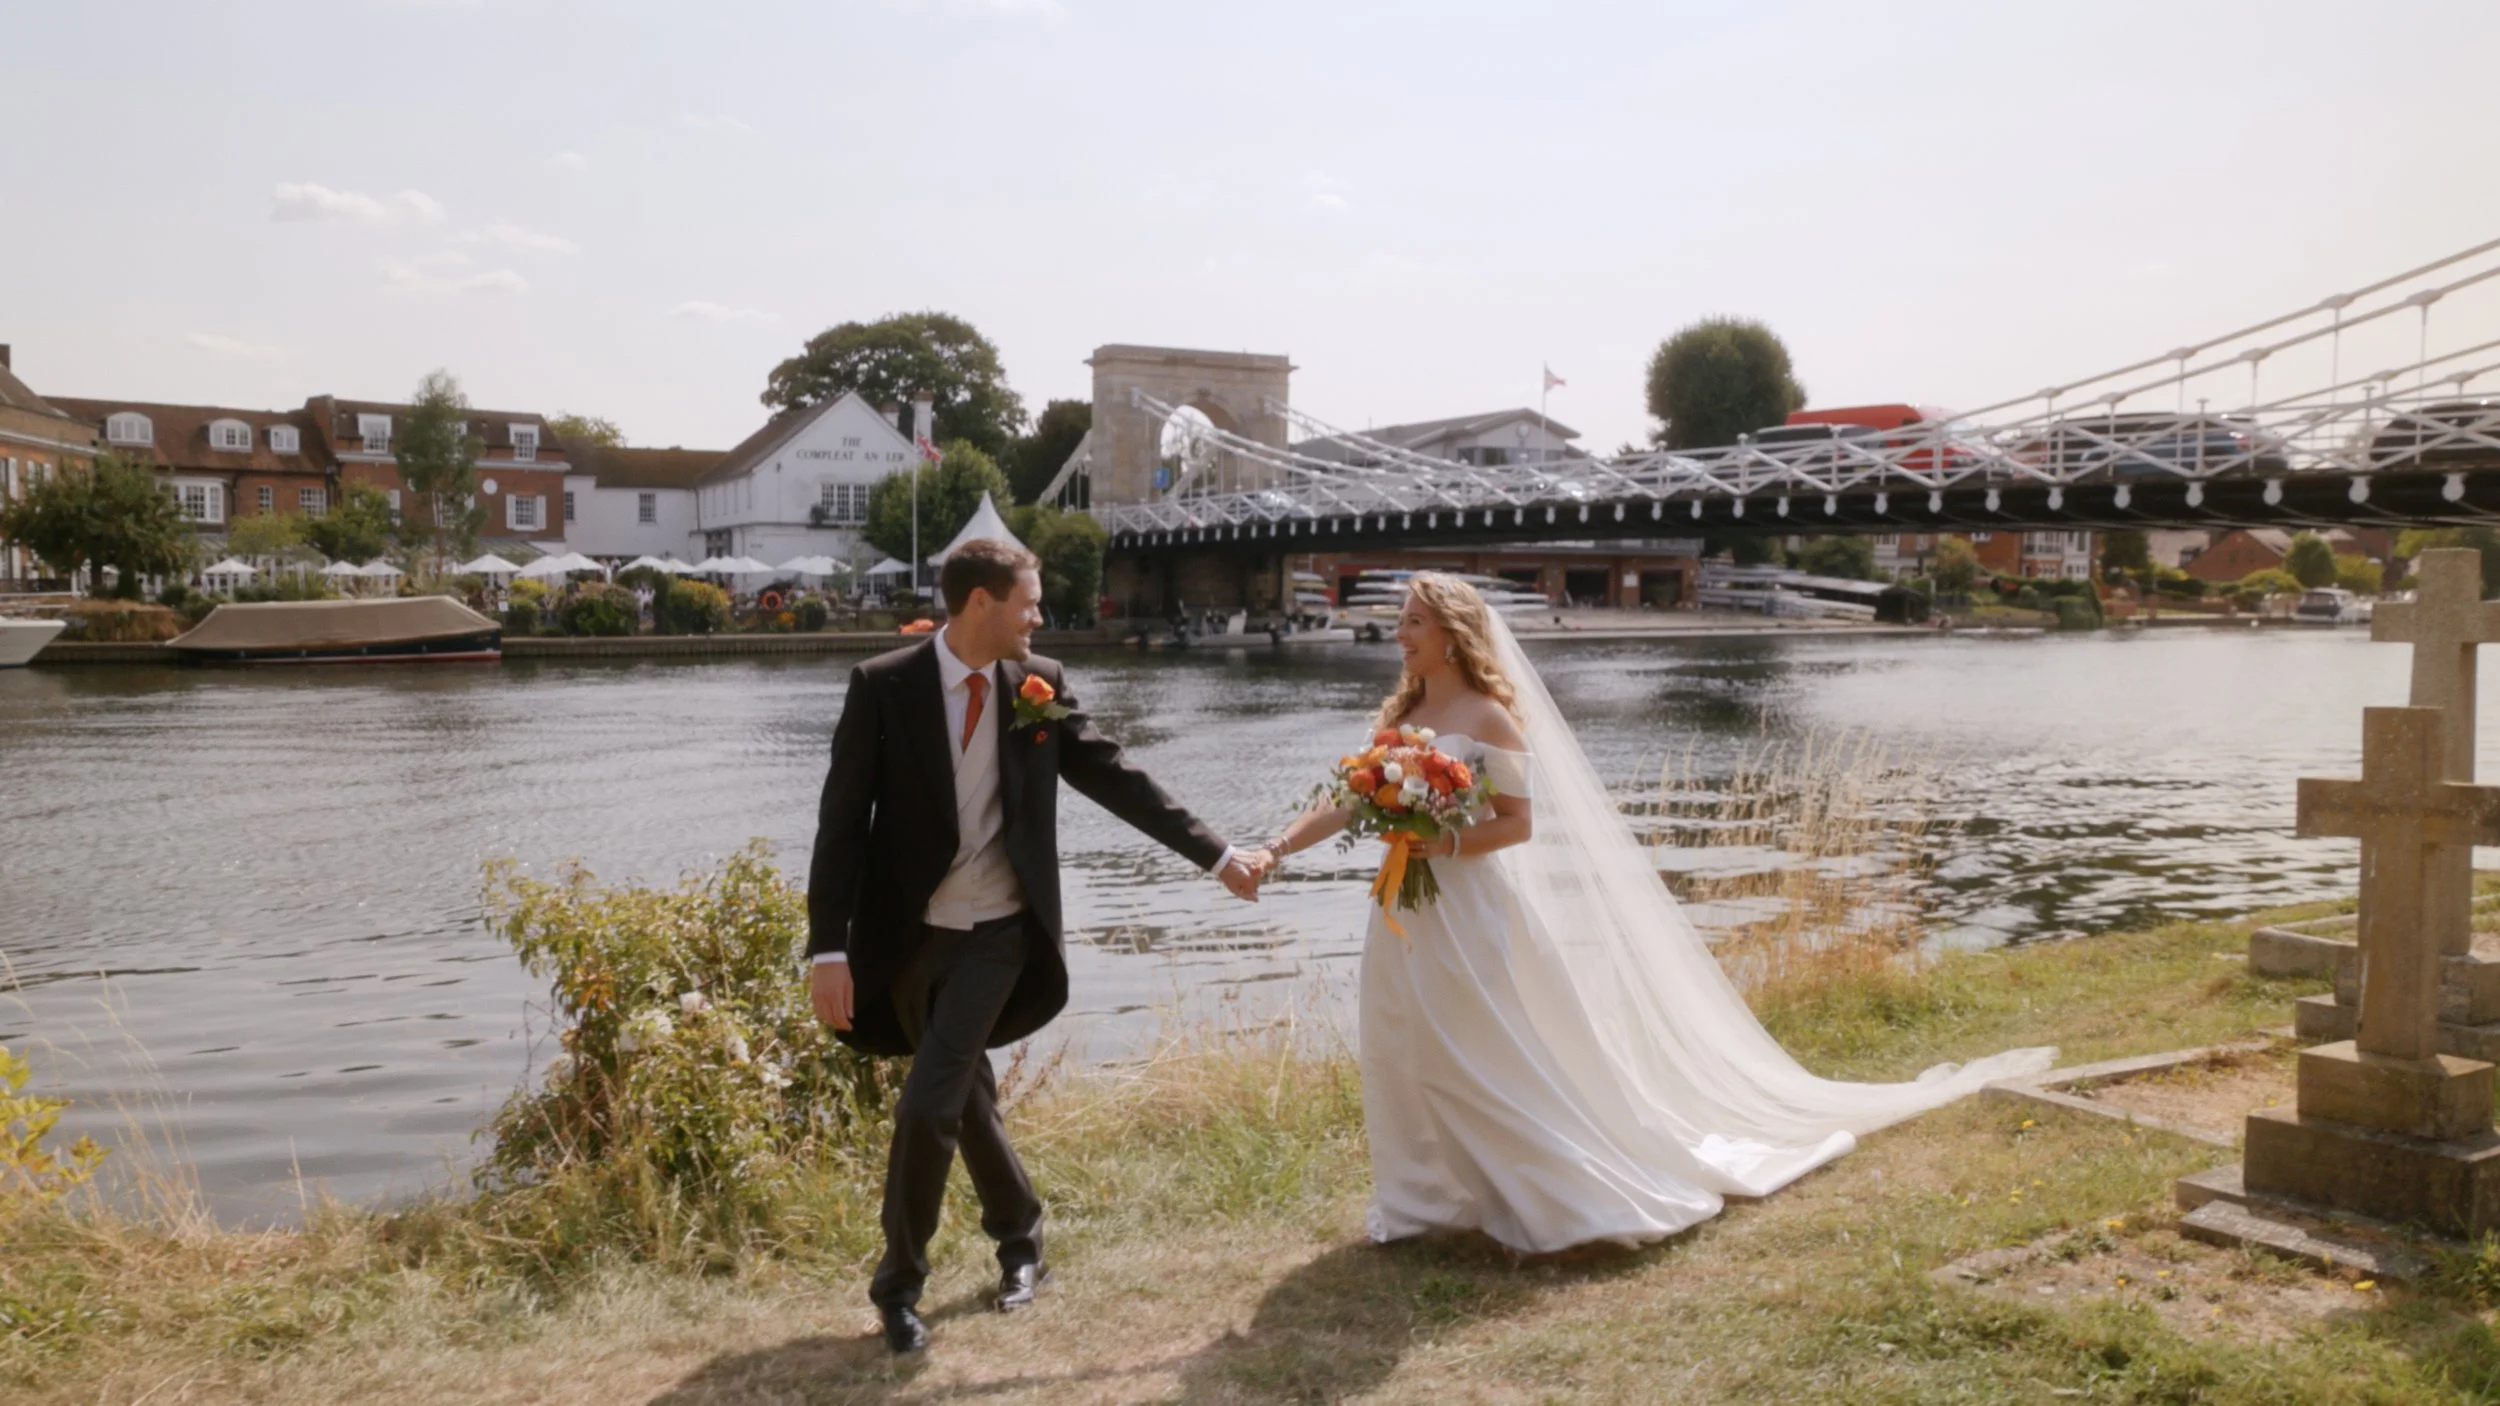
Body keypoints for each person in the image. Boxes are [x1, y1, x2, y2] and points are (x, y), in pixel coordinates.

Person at [1244, 573, 2052, 1254]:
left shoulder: (1490, 719)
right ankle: (1427, 1204)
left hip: (1468, 910)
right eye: (1401, 623)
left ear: (1452, 636)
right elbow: (1343, 804)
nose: (1398, 635)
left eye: (1412, 623)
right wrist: (1276, 849)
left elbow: (1518, 826)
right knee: (1404, 1045)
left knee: (1483, 1048)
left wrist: (1439, 845)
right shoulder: (1396, 723)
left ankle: (1549, 1192)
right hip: (1399, 914)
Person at [807, 537, 1267, 1353]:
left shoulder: (1038, 683)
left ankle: (896, 1290)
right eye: (1030, 600)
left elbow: (1113, 774)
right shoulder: (882, 687)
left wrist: (1218, 854)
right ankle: (1022, 1240)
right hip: (909, 939)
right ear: (981, 602)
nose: (1040, 616)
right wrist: (828, 950)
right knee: (964, 1097)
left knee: (928, 1101)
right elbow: (841, 826)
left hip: (1002, 933)